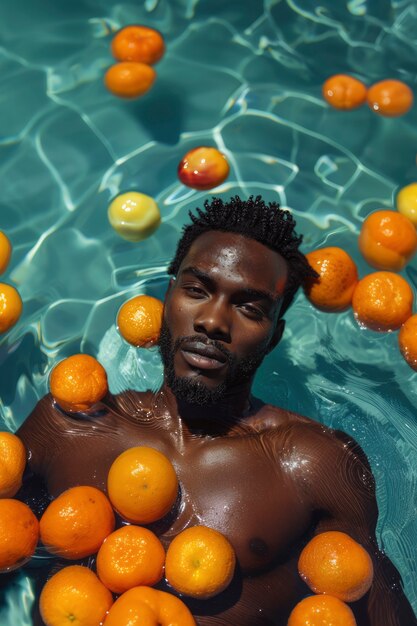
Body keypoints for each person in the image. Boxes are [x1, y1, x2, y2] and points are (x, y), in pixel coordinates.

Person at [18, 196, 416, 625]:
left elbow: (380, 609)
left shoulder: (312, 465)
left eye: (249, 307)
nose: (213, 321)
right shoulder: (64, 426)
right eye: (196, 290)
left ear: (274, 336)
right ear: (168, 299)